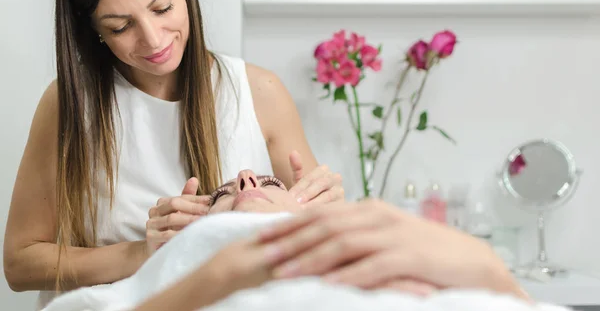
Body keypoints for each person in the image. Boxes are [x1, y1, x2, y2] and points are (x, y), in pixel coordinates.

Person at [3, 0, 343, 308]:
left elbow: (315, 235)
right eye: (120, 26)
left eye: (162, 8)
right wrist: (144, 253)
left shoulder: (258, 92)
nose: (153, 40)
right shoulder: (72, 106)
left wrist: (329, 211)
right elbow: (20, 263)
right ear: (91, 28)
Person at [41, 169, 541, 311]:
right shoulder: (158, 281)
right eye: (223, 194)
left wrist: (492, 272)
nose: (245, 179)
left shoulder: (369, 234)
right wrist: (215, 277)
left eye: (271, 183)